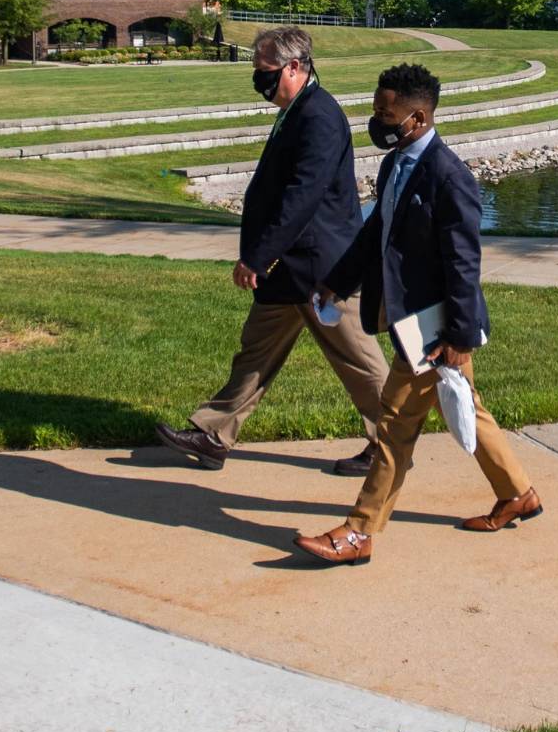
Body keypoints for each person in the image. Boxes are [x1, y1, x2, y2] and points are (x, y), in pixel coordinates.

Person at [293, 61, 544, 566]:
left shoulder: (449, 177)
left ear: (420, 118)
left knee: (395, 426)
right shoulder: (396, 164)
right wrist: (337, 283)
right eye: (376, 111)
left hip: (433, 329)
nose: (378, 121)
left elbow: (464, 264)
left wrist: (459, 335)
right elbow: (374, 236)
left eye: (387, 114)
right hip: (414, 320)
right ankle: (518, 494)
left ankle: (359, 532)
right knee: (468, 410)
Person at [155, 26, 390, 477]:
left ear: (295, 67)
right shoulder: (298, 109)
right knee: (256, 352)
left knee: (358, 361)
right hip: (289, 267)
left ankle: (392, 443)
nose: (259, 82)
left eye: (266, 73)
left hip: (321, 269)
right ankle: (214, 434)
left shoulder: (319, 116)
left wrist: (258, 256)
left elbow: (302, 198)